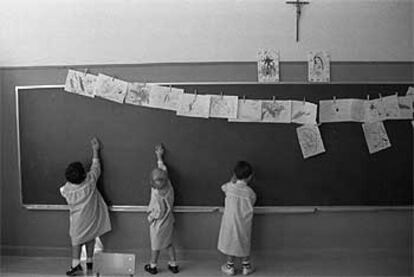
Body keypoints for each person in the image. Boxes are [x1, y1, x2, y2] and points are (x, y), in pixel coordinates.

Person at [60, 137, 111, 276]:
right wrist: (95, 150)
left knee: (76, 241)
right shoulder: (90, 181)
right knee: (90, 237)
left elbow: (62, 190)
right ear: (84, 174)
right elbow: (96, 167)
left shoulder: (67, 190)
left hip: (78, 221)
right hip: (92, 218)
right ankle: (89, 261)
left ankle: (75, 265)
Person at [144, 144, 179, 275]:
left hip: (158, 225)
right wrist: (159, 156)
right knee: (169, 243)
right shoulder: (169, 187)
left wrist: (150, 218)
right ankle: (173, 264)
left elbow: (157, 212)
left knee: (155, 246)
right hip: (169, 221)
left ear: (152, 184)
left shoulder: (156, 195)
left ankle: (153, 266)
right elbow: (162, 170)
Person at [217, 161, 257, 276]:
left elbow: (222, 187)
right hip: (244, 223)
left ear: (234, 174)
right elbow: (253, 201)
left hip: (230, 222)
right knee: (244, 242)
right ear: (250, 177)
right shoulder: (250, 192)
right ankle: (246, 266)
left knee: (231, 243)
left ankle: (230, 266)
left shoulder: (229, 187)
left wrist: (232, 180)